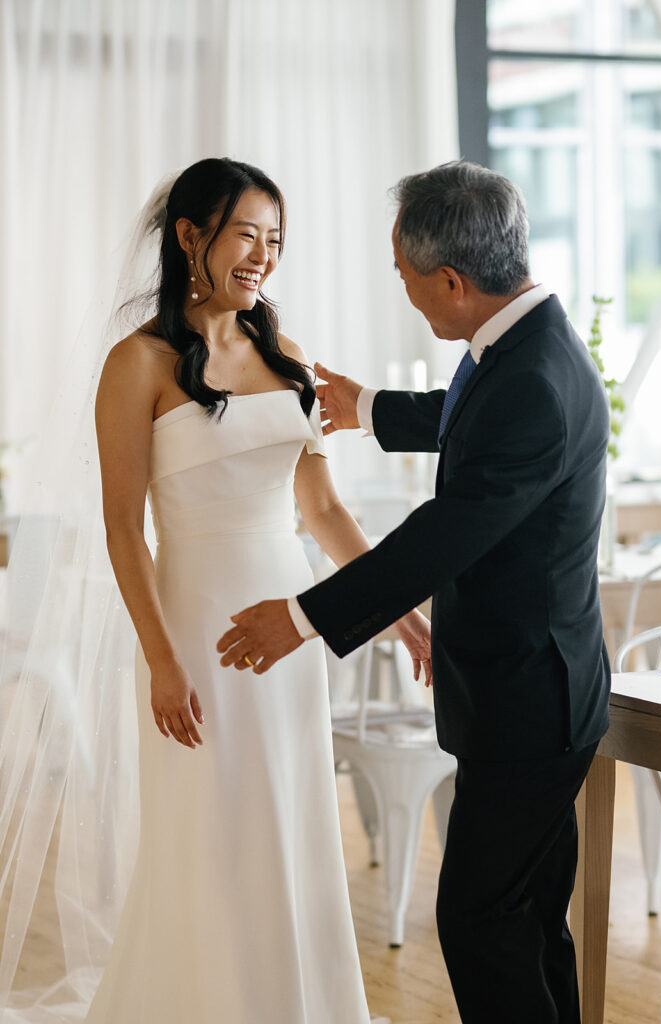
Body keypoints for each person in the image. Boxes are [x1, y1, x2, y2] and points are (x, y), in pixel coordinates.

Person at [218, 159, 612, 1024]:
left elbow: (439, 538)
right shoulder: (523, 344)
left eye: (402, 276)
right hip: (541, 690)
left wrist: (301, 618)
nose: (404, 293)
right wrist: (371, 410)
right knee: (527, 920)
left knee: (479, 920)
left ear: (449, 279)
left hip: (527, 699)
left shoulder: (533, 383)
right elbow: (474, 416)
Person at [44, 157, 430, 1023]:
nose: (262, 255)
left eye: (276, 240)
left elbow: (323, 510)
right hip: (194, 636)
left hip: (292, 630)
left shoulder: (286, 354)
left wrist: (400, 616)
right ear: (190, 237)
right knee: (210, 836)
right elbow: (121, 528)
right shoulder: (135, 364)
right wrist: (161, 662)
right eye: (246, 235)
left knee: (291, 826)